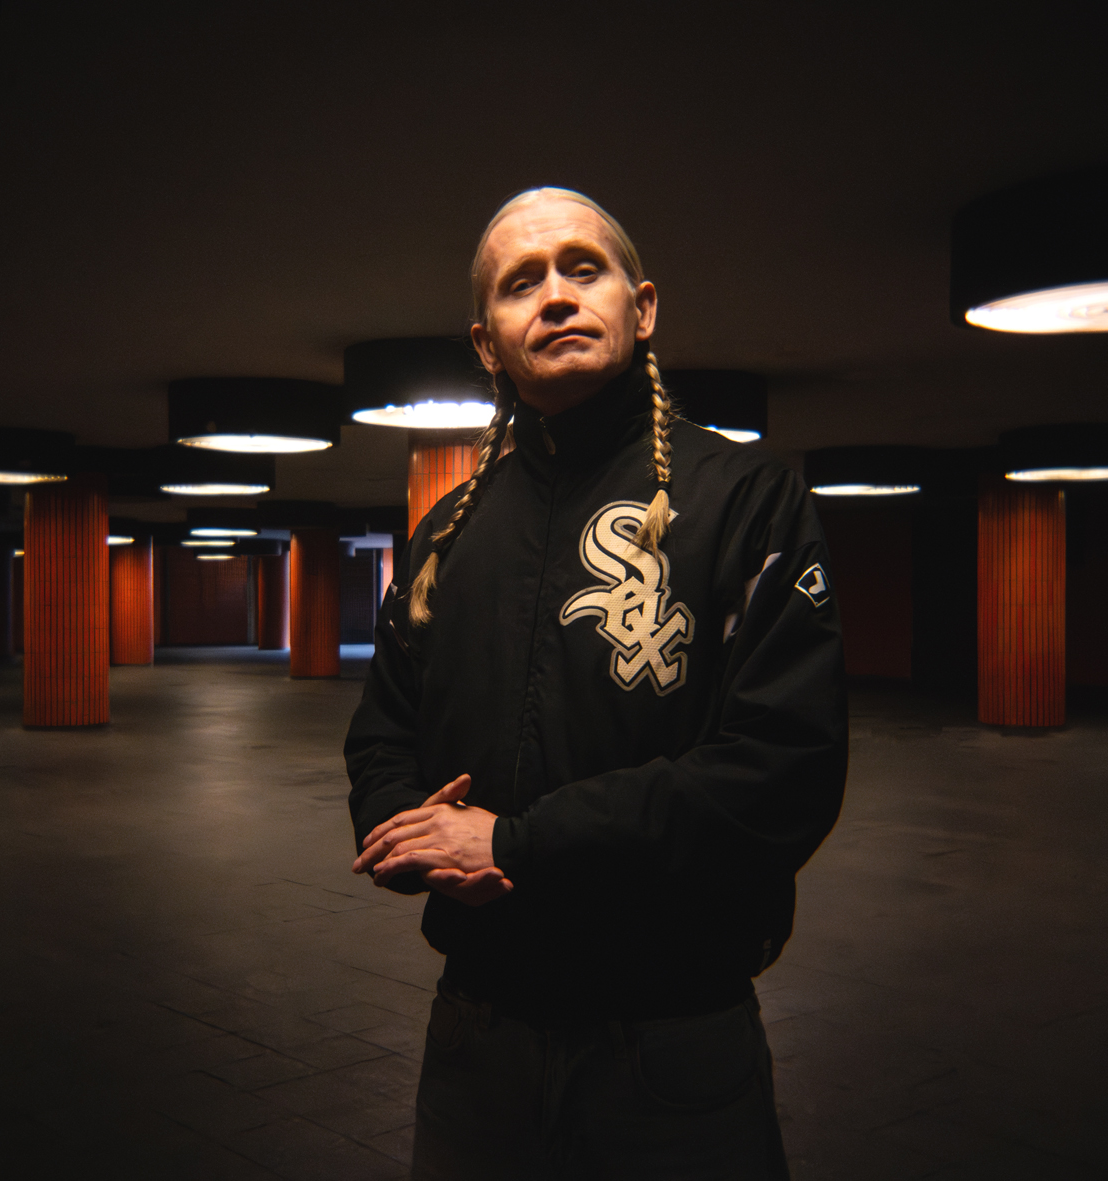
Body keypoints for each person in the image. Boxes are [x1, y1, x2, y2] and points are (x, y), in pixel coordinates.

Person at [344, 187, 847, 1179]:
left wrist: (516, 843)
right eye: (520, 282)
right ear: (487, 343)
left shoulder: (747, 500)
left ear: (641, 306)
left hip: (673, 1036)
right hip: (477, 1035)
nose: (556, 296)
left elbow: (782, 770)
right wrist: (403, 829)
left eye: (584, 268)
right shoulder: (446, 531)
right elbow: (382, 730)